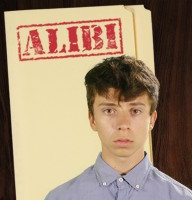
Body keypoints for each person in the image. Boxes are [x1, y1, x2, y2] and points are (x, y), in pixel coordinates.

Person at [45, 56, 192, 200]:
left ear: (152, 120)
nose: (123, 124)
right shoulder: (59, 197)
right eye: (109, 111)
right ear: (92, 119)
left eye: (135, 111)